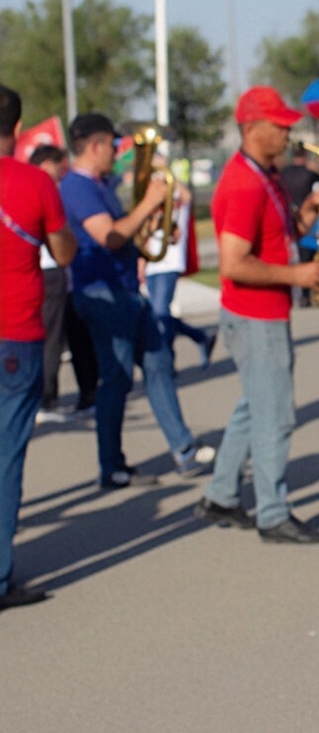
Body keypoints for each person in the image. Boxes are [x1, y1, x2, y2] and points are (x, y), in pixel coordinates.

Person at [198, 85, 319, 543]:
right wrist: (299, 275)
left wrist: (307, 213)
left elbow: (277, 236)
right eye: (279, 125)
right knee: (275, 414)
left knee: (253, 407)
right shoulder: (243, 184)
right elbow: (233, 263)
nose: (287, 132)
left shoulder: (265, 174)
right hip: (255, 316)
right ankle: (273, 515)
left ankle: (221, 495)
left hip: (261, 313)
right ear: (252, 128)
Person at [60, 113, 213, 490]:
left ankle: (183, 449)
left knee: (159, 362)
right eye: (113, 145)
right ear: (94, 145)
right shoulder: (77, 187)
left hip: (125, 288)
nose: (118, 152)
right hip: (103, 293)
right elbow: (109, 236)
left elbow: (124, 233)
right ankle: (111, 466)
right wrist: (149, 203)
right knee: (117, 378)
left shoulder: (100, 185)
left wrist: (154, 226)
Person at [0, 84, 77, 605]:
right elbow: (64, 252)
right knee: (6, 457)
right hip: (16, 332)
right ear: (17, 126)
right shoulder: (35, 181)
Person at [29, 144, 98, 421]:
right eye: (59, 166)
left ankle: (86, 394)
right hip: (51, 269)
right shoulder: (40, 188)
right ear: (47, 163)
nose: (62, 172)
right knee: (52, 338)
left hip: (62, 273)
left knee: (74, 333)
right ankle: (47, 399)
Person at [142, 187, 216, 370]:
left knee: (160, 311)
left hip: (170, 265)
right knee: (158, 314)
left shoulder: (178, 210)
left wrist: (168, 178)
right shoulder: (152, 213)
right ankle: (200, 337)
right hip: (152, 267)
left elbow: (187, 196)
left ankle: (166, 359)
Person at [279, 142, 319, 307]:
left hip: (290, 215)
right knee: (309, 255)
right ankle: (309, 291)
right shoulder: (311, 173)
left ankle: (303, 295)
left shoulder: (284, 173)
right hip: (308, 218)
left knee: (298, 255)